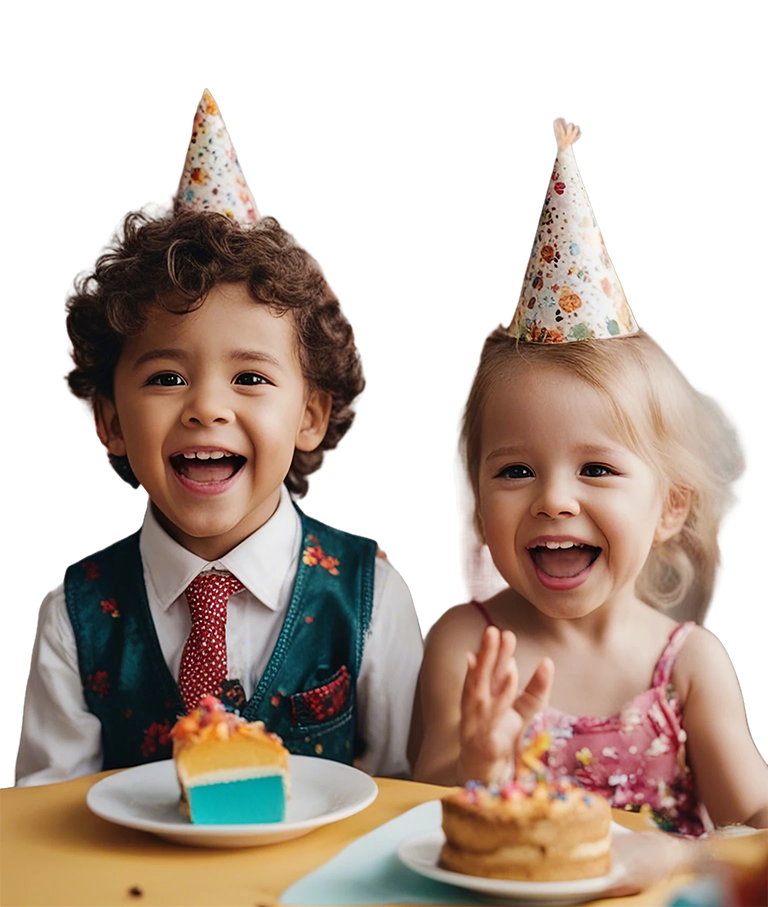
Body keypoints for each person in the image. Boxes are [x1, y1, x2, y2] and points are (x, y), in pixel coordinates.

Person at [14, 90, 422, 787]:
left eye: (251, 378)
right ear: (109, 419)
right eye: (167, 376)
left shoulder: (370, 598)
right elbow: (42, 820)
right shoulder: (75, 615)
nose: (207, 407)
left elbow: (405, 798)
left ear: (311, 415)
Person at [410, 117, 768, 837]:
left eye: (597, 467)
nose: (556, 499)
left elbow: (748, 821)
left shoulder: (688, 664)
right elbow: (415, 816)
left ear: (670, 504)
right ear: (478, 498)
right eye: (515, 469)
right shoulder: (466, 645)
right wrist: (476, 762)